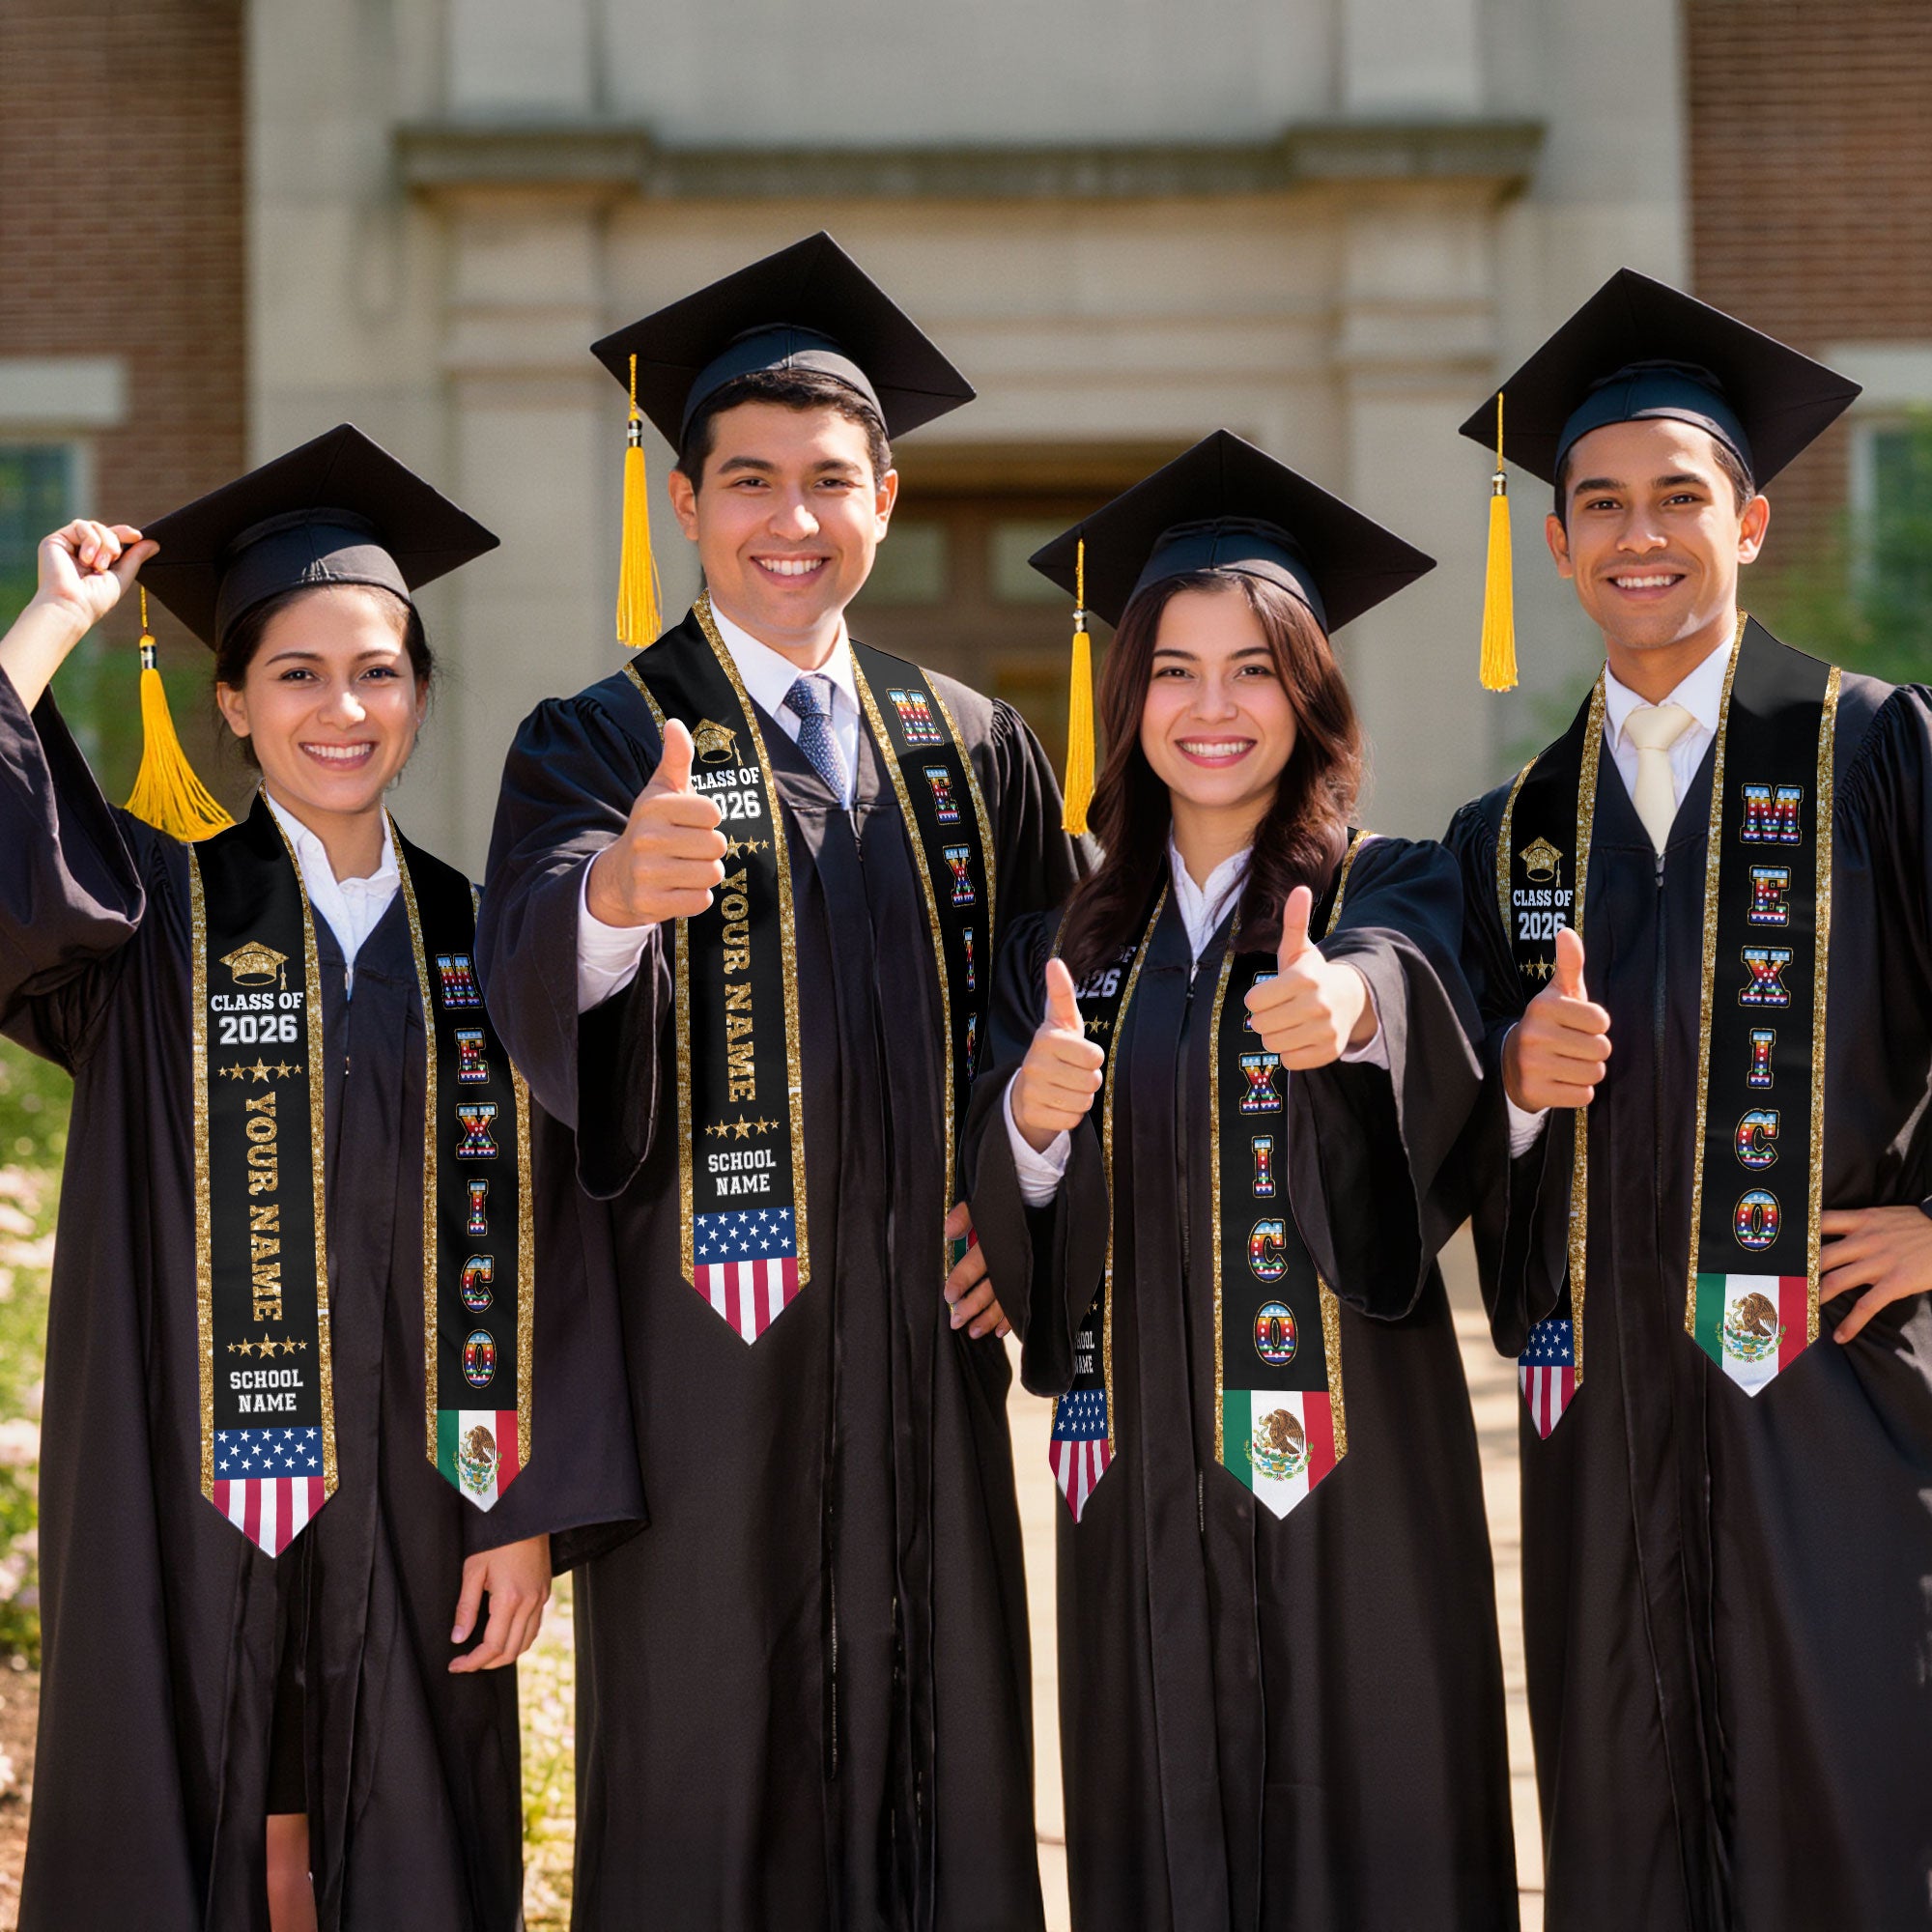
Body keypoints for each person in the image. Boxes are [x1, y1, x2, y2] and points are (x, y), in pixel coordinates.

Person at [479, 233, 1084, 1930]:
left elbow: (1061, 1007)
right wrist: (610, 901)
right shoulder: (599, 738)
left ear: (886, 496)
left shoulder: (973, 743)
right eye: (750, 481)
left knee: (942, 1751)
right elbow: (528, 966)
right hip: (705, 1366)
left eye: (831, 481)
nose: (791, 520)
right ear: (686, 502)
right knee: (709, 1765)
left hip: (922, 1356)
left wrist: (1018, 1197)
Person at [0, 425, 641, 1932]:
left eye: (378, 671)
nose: (341, 708)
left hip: (426, 1498)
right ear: (230, 701)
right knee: (194, 1802)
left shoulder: (494, 941)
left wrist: (525, 1506)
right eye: (295, 673)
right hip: (182, 1480)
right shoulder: (150, 918)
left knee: (406, 1826)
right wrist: (51, 624)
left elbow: (559, 1237)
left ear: (419, 694)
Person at [964, 431, 1518, 1930]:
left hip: (1355, 1477)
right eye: (1175, 671)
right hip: (1135, 1471)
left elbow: (1412, 988)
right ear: (1127, 696)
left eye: (1256, 668)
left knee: (1377, 1826)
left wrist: (1348, 1014)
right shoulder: (1065, 947)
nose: (1214, 709)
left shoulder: (1387, 884)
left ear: (1311, 692)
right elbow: (1015, 1213)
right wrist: (1028, 1118)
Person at [1446, 270, 1932, 1931]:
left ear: (1752, 520)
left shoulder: (1874, 750)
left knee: (1854, 1802)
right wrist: (1511, 1088)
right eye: (1599, 504)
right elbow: (1443, 1129)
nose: (1637, 534)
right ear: (1561, 542)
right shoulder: (1508, 830)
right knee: (1624, 1815)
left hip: (1838, 1399)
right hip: (1605, 1426)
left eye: (1678, 497)